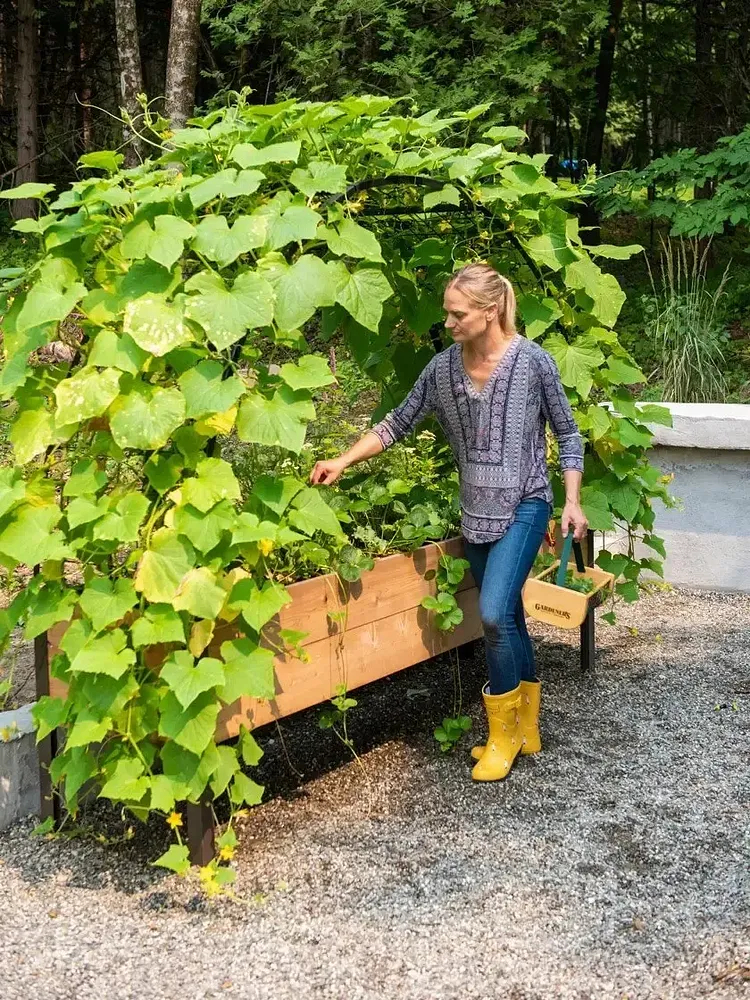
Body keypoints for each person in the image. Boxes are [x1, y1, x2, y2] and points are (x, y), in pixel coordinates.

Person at [310, 263, 588, 782]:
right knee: (508, 616)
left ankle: (501, 736)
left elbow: (569, 436)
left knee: (491, 614)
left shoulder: (534, 363)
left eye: (456, 313)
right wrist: (344, 460)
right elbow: (398, 422)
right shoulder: (441, 370)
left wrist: (571, 501)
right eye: (446, 312)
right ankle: (526, 723)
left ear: (488, 312)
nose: (447, 321)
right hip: (475, 511)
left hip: (526, 504)